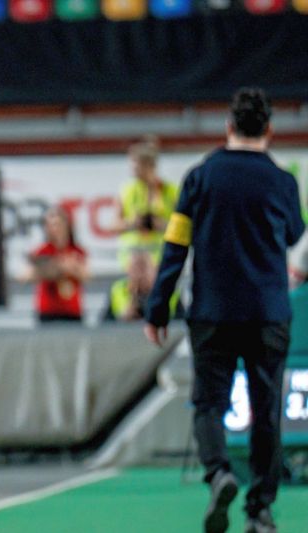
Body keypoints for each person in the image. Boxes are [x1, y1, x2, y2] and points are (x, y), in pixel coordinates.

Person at [144, 87, 305, 533]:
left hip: (212, 312)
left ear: (228, 127)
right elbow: (294, 234)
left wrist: (158, 308)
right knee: (265, 411)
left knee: (208, 404)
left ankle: (219, 473)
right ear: (269, 130)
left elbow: (175, 246)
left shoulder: (199, 178)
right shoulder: (283, 182)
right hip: (268, 313)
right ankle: (260, 511)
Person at [114, 137, 179, 268]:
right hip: (132, 260)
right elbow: (114, 225)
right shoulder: (127, 190)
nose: (132, 167)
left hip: (161, 258)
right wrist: (132, 223)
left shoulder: (171, 191)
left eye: (135, 163)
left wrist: (162, 225)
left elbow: (183, 226)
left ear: (148, 165)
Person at [23, 206, 89, 322]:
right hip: (48, 310)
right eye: (49, 225)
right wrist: (52, 269)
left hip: (72, 310)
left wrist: (71, 269)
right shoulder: (42, 252)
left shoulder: (76, 251)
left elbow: (86, 275)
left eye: (57, 224)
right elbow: (26, 276)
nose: (54, 229)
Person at [105, 249, 182, 322]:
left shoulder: (167, 289)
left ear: (155, 270)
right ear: (128, 270)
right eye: (135, 269)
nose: (140, 274)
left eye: (144, 268)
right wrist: (123, 317)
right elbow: (105, 325)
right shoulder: (118, 290)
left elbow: (180, 322)